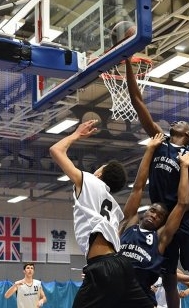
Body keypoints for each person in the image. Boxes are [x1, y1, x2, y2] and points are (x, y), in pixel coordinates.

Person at [126, 58, 189, 308]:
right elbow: (138, 103)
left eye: (182, 122)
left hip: (185, 219)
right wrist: (128, 64)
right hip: (163, 216)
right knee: (168, 277)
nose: (176, 121)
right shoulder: (159, 140)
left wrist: (184, 172)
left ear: (188, 135)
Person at [49, 119, 154, 308]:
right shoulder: (113, 206)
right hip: (121, 264)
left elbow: (55, 150)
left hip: (103, 267)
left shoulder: (89, 181)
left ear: (100, 173)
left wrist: (76, 134)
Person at [118, 133, 189, 305]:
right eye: (153, 211)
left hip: (140, 292)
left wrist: (183, 168)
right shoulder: (129, 223)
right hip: (114, 288)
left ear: (162, 223)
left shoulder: (160, 238)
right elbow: (138, 187)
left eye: (160, 216)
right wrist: (149, 150)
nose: (154, 215)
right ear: (145, 211)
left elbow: (182, 203)